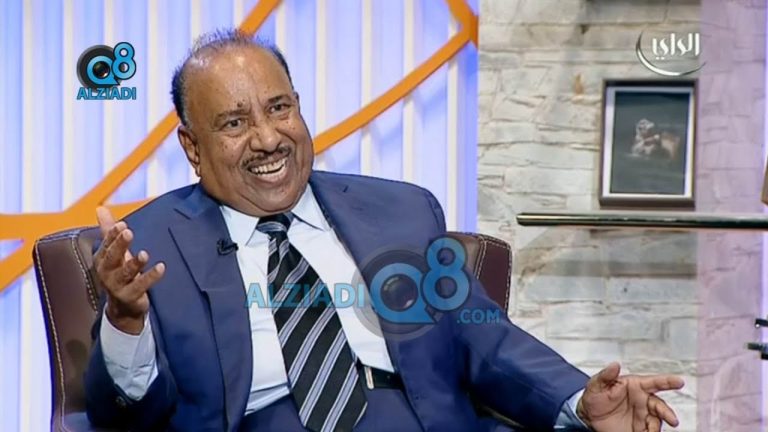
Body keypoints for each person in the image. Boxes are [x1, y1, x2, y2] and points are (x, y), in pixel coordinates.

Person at [84, 29, 684, 432]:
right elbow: (122, 414)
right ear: (192, 147)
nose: (267, 139)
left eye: (279, 108)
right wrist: (125, 320)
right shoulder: (148, 245)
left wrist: (578, 401)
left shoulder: (401, 211)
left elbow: (482, 339)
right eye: (235, 123)